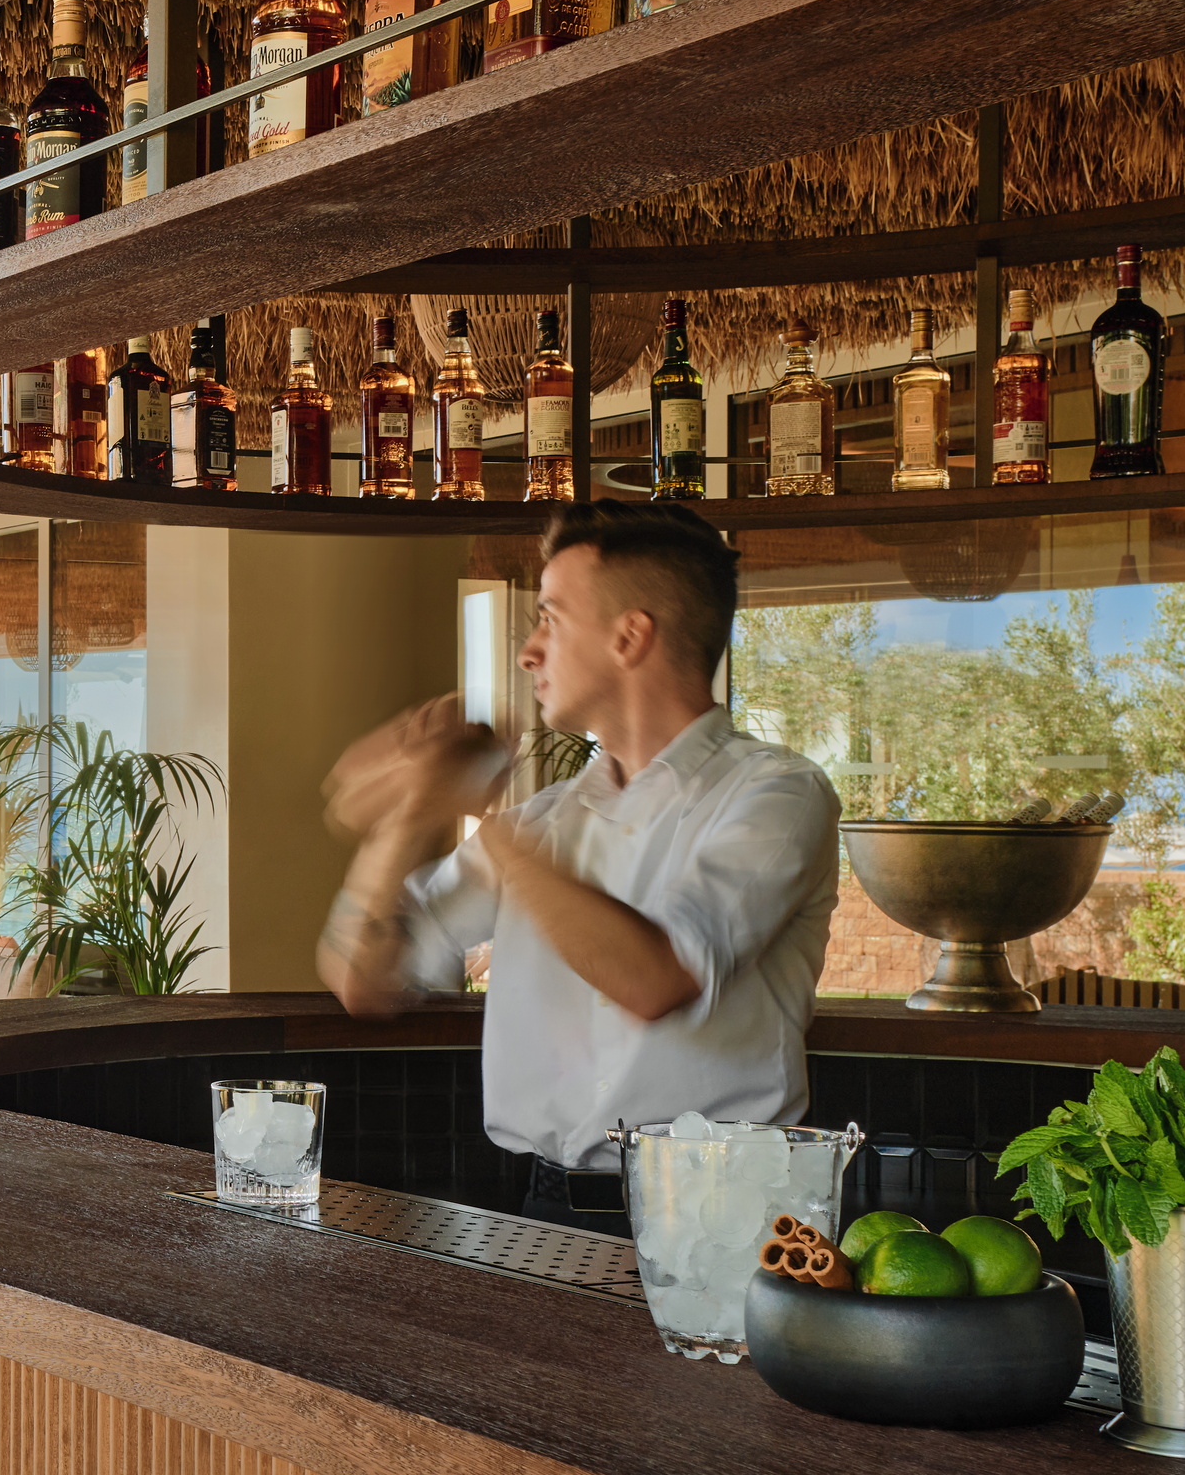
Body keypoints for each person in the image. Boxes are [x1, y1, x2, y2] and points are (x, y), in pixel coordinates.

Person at [317, 503, 839, 1231]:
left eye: (551, 618)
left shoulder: (778, 794)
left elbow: (655, 980)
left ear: (630, 636)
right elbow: (364, 982)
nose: (529, 652)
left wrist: (488, 826)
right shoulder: (540, 823)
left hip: (719, 1219)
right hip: (544, 1212)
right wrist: (411, 814)